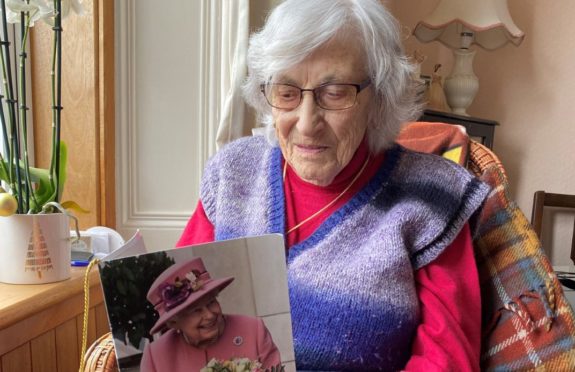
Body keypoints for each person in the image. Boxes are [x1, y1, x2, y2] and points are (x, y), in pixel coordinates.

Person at [177, 0, 491, 370]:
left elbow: (446, 360)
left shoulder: (430, 198)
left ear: (379, 96)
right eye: (287, 91)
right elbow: (179, 302)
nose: (307, 124)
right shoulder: (233, 173)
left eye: (336, 92)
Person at [140, 257, 281, 371]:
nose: (209, 315)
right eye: (195, 310)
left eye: (211, 302)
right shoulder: (156, 356)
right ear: (173, 322)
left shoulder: (253, 330)